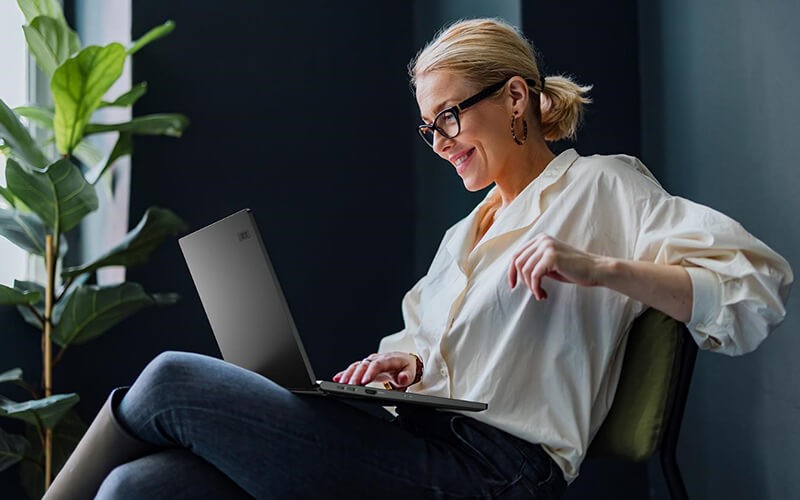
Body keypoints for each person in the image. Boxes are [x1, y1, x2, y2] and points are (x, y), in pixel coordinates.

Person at [45, 18, 792, 500]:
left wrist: (600, 269)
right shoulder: (462, 236)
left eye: (451, 117)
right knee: (141, 488)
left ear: (517, 98)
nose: (441, 143)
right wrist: (404, 365)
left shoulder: (603, 187)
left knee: (170, 380)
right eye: (429, 128)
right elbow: (429, 350)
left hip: (497, 473)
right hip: (412, 441)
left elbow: (753, 289)